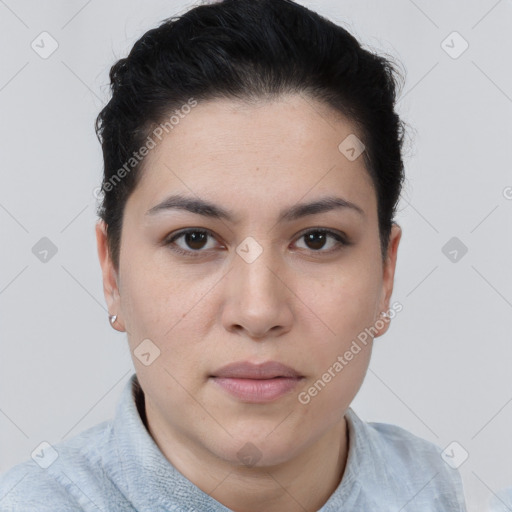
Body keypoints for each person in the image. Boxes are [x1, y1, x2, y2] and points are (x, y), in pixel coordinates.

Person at [0, 0, 468, 510]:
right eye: (194, 239)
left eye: (317, 239)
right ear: (111, 270)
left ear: (386, 272)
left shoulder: (431, 486)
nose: (258, 311)